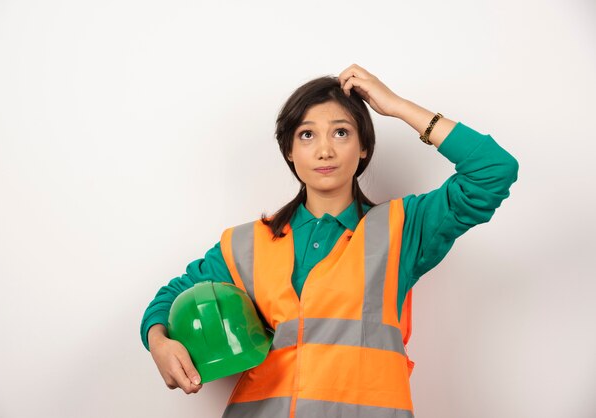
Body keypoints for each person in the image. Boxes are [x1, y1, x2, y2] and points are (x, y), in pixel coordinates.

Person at [140, 64, 519, 417]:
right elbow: (171, 297)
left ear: (364, 146)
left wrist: (398, 107)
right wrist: (159, 342)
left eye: (341, 132)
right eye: (307, 135)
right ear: (289, 150)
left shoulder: (404, 229)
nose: (325, 150)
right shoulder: (247, 243)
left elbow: (493, 171)